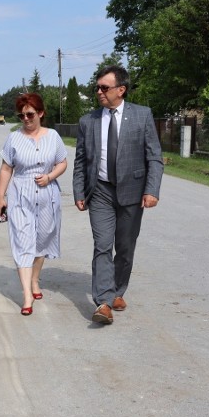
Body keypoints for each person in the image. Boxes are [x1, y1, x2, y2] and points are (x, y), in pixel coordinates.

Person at [73, 65, 164, 325]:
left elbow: (154, 158)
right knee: (102, 245)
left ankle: (117, 290)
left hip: (132, 192)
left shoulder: (142, 116)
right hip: (100, 190)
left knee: (125, 246)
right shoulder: (87, 121)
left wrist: (151, 189)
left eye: (105, 87)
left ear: (121, 90)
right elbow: (81, 161)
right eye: (97, 87)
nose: (99, 92)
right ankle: (103, 302)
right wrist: (80, 190)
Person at [0, 93, 67, 316]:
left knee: (43, 238)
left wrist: (50, 176)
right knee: (23, 242)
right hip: (21, 195)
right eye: (22, 115)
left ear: (41, 114)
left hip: (48, 195)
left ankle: (35, 279)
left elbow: (62, 162)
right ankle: (27, 294)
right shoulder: (14, 138)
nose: (25, 118)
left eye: (30, 114)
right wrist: (0, 196)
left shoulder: (53, 136)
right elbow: (6, 168)